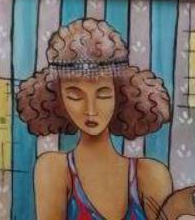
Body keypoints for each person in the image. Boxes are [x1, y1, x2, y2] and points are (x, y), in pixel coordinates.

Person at [16, 17, 173, 220]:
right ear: (57, 98)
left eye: (103, 94)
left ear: (121, 95)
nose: (90, 110)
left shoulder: (152, 175)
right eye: (75, 95)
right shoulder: (53, 169)